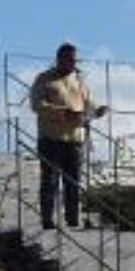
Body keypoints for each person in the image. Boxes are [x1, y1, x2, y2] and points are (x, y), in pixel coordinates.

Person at [30, 43, 107, 230]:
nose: (72, 62)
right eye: (68, 58)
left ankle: (72, 219)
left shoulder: (79, 79)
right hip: (51, 138)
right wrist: (63, 112)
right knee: (50, 181)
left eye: (74, 59)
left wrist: (97, 110)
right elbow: (37, 105)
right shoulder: (44, 79)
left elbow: (87, 102)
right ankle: (47, 220)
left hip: (75, 139)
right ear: (59, 58)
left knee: (73, 182)